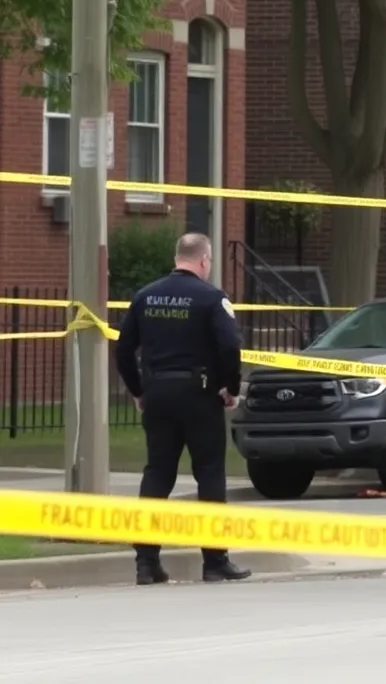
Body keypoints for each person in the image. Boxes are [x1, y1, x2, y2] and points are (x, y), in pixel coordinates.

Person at [114, 232, 252, 586]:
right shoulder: (212, 298)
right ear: (204, 260)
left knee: (157, 473)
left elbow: (123, 349)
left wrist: (138, 390)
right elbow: (230, 347)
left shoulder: (145, 296)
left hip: (158, 393)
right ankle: (215, 561)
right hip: (199, 394)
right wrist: (231, 388)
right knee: (209, 473)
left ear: (178, 257)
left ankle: (146, 563)